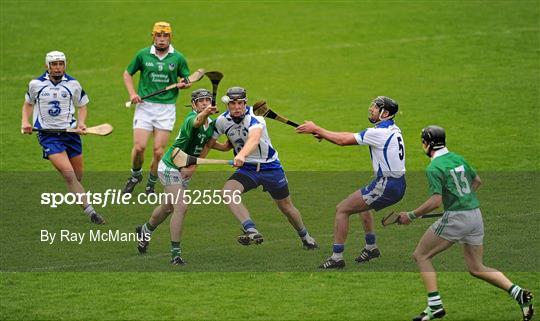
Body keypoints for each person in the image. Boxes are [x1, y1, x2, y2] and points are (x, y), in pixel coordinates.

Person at [396, 125, 534, 321]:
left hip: (457, 219)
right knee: (477, 267)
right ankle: (518, 293)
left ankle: (434, 305)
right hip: (475, 216)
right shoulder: (458, 158)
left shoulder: (434, 167)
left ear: (426, 143)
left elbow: (435, 202)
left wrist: (410, 215)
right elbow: (477, 181)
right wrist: (461, 199)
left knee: (421, 255)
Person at [296, 96, 406, 269]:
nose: (371, 109)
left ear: (384, 113)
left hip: (386, 185)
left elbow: (343, 141)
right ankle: (371, 248)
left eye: (375, 107)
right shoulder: (391, 128)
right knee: (363, 206)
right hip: (396, 183)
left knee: (342, 209)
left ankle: (336, 257)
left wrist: (316, 128)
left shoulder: (378, 133)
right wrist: (324, 133)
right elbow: (350, 136)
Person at [207, 87, 318, 249]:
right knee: (228, 192)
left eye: (240, 103)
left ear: (245, 103)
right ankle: (251, 229)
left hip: (270, 168)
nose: (237, 107)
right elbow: (209, 143)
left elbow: (254, 139)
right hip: (248, 170)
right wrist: (196, 160)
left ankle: (306, 237)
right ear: (227, 104)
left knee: (286, 207)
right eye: (233, 103)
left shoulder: (256, 117)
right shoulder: (222, 121)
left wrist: (241, 155)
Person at [135, 89, 231, 265]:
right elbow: (196, 121)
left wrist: (235, 134)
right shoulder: (191, 119)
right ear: (194, 104)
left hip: (183, 170)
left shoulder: (210, 126)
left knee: (167, 208)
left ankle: (145, 230)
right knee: (181, 206)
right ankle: (175, 254)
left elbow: (223, 147)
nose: (204, 103)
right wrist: (204, 113)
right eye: (200, 101)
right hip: (170, 166)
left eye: (207, 100)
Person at [21, 51, 104, 225]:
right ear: (47, 66)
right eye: (54, 64)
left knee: (78, 176)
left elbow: (82, 106)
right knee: (69, 175)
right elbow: (28, 104)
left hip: (70, 134)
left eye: (61, 64)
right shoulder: (36, 84)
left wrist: (81, 123)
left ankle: (75, 191)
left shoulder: (73, 84)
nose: (58, 67)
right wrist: (25, 121)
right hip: (48, 135)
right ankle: (92, 212)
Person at [122, 21, 192, 195]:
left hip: (166, 109)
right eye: (159, 36)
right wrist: (132, 94)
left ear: (170, 37)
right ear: (153, 36)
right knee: (139, 147)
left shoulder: (178, 58)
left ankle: (151, 184)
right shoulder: (143, 55)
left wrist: (184, 84)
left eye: (165, 36)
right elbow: (127, 73)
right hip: (145, 107)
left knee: (159, 151)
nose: (162, 39)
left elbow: (186, 79)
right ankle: (135, 175)